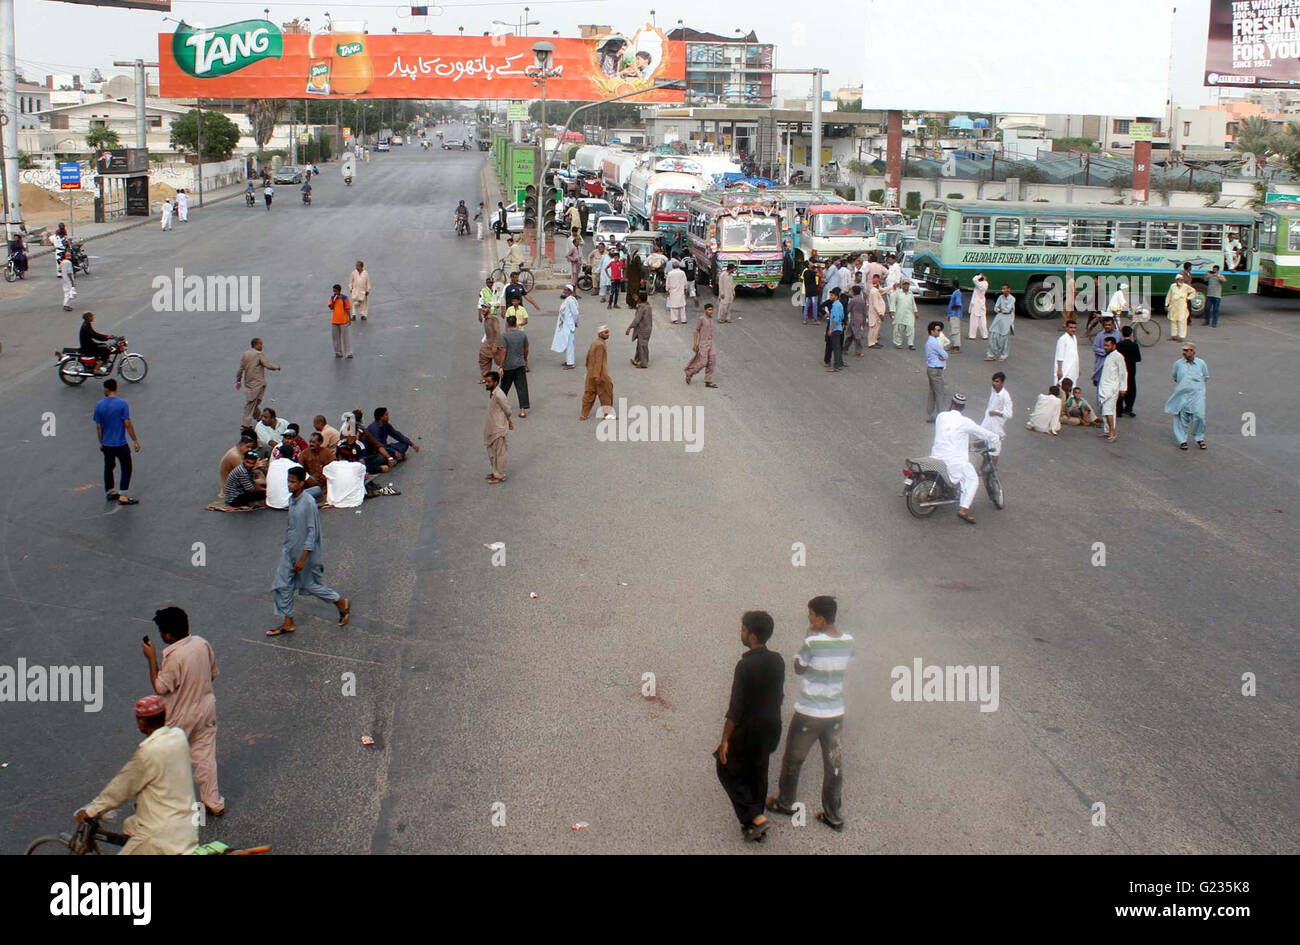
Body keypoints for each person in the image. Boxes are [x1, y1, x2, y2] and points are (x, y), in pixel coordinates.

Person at [767, 595, 855, 832]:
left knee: (793, 759)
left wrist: (809, 638)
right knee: (834, 764)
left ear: (821, 619)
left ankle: (785, 803)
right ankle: (833, 815)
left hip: (809, 713)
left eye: (811, 615)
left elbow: (798, 668)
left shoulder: (813, 643)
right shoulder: (848, 641)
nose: (808, 617)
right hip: (835, 714)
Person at [76, 695, 198, 855]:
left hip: (160, 834)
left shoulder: (148, 752)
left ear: (142, 722)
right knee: (130, 824)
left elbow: (121, 788)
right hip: (186, 825)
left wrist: (93, 810)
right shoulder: (179, 737)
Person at [142, 607, 223, 816]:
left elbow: (160, 687)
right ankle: (213, 801)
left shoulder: (174, 657)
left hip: (180, 715)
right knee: (205, 756)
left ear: (168, 635)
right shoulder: (201, 643)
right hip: (206, 708)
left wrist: (151, 658)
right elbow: (213, 673)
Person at [715, 610, 784, 843]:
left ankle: (755, 817)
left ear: (753, 636)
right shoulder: (778, 660)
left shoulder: (744, 666)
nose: (741, 633)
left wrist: (725, 740)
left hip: (750, 730)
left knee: (725, 766)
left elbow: (735, 709)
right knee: (759, 770)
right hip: (772, 727)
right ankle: (755, 825)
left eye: (744, 629)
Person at [267, 466, 350, 636]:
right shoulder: (292, 499)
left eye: (293, 482)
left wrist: (303, 558)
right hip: (288, 549)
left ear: (302, 483)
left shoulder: (308, 503)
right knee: (281, 584)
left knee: (308, 585)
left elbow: (312, 532)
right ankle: (288, 622)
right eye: (288, 481)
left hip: (302, 553)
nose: (289, 485)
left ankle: (339, 601)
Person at [931, 393, 999, 524]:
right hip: (953, 460)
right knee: (972, 478)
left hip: (936, 455)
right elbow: (982, 433)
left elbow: (949, 433)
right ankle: (963, 510)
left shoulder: (941, 416)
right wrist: (996, 438)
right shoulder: (965, 422)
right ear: (963, 408)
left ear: (951, 404)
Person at [93, 378, 140, 505]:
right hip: (120, 443)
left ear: (107, 389)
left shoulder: (99, 405)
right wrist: (135, 440)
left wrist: (101, 442)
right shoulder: (122, 404)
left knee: (108, 467)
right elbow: (127, 423)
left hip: (107, 444)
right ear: (116, 388)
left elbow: (98, 426)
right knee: (126, 467)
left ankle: (110, 491)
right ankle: (123, 495)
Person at [1165, 342, 1209, 450]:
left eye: (1186, 350)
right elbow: (1175, 377)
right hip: (1183, 395)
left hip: (1197, 395)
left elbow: (1206, 376)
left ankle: (1199, 437)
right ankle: (1182, 440)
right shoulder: (1178, 364)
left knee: (1199, 416)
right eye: (1183, 350)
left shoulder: (1201, 363)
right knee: (1181, 418)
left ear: (1193, 351)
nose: (1183, 352)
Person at [236, 337, 280, 429]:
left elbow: (240, 369)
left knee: (254, 402)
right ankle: (245, 424)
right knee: (251, 403)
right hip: (258, 384)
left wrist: (238, 380)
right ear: (255, 345)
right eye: (260, 344)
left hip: (249, 383)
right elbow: (267, 365)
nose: (262, 346)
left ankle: (259, 418)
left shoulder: (245, 354)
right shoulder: (258, 354)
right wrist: (276, 367)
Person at [483, 370, 514, 483]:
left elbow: (508, 410)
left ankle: (500, 475)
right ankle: (495, 471)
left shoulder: (499, 395)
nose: (486, 384)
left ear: (495, 382)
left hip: (498, 428)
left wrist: (509, 422)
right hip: (491, 427)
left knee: (499, 453)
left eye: (489, 382)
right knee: (492, 451)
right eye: (485, 381)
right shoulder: (493, 392)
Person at [1096, 336, 1128, 443]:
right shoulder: (1108, 356)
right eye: (1104, 345)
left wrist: (1123, 388)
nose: (1105, 347)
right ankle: (1107, 431)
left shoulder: (1118, 357)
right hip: (1105, 387)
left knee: (1108, 411)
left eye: (1107, 345)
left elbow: (1123, 373)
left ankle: (1112, 432)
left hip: (1112, 389)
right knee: (1106, 410)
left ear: (1113, 345)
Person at [580, 325, 615, 421]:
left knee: (589, 394)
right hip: (600, 374)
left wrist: (590, 371)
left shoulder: (595, 343)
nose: (608, 334)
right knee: (606, 393)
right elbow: (598, 362)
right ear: (600, 334)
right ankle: (607, 415)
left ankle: (584, 414)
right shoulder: (600, 345)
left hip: (590, 373)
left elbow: (588, 357)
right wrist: (597, 376)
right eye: (606, 332)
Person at [499, 314, 530, 416]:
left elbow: (503, 352)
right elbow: (526, 349)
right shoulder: (522, 335)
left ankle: (500, 408)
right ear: (516, 323)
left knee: (504, 387)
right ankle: (522, 410)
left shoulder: (504, 335)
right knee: (522, 387)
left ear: (507, 324)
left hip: (508, 365)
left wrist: (500, 366)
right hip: (520, 364)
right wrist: (525, 359)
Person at [685, 302, 718, 387]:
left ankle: (708, 381)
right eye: (709, 310)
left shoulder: (711, 320)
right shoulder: (702, 319)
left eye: (712, 310)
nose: (711, 311)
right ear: (705, 310)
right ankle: (690, 373)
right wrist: (695, 344)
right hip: (703, 344)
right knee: (703, 362)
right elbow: (696, 331)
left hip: (711, 343)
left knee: (712, 362)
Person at [981, 371, 1013, 460]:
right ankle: (983, 467)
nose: (994, 383)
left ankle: (992, 470)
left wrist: (996, 412)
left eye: (997, 381)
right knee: (983, 442)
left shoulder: (1005, 396)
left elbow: (1009, 414)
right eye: (993, 381)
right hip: (987, 421)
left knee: (995, 448)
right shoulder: (993, 389)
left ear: (1002, 383)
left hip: (996, 425)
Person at [218, 433, 258, 497]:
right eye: (247, 447)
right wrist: (256, 465)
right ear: (240, 445)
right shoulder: (235, 456)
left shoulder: (239, 451)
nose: (250, 449)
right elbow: (245, 473)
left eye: (251, 447)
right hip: (231, 491)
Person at [551, 284, 580, 369]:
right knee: (566, 343)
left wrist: (575, 322)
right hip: (565, 325)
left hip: (569, 325)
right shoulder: (567, 300)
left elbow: (575, 313)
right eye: (564, 289)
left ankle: (571, 363)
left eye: (566, 290)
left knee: (570, 344)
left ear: (570, 291)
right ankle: (568, 360)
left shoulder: (571, 300)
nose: (564, 291)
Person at [1116, 325, 1142, 417]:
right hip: (1131, 370)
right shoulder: (1134, 345)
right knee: (1131, 389)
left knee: (1120, 389)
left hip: (1120, 370)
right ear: (1131, 334)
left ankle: (1118, 410)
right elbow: (1138, 358)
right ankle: (1129, 408)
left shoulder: (1118, 345)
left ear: (1122, 334)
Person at [924, 321, 948, 420]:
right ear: (932, 331)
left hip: (931, 369)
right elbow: (945, 355)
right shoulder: (934, 342)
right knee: (939, 393)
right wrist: (942, 356)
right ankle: (941, 416)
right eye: (938, 330)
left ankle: (930, 415)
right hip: (936, 370)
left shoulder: (929, 341)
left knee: (932, 393)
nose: (939, 332)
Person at [298, 431, 334, 497]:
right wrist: (309, 478)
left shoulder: (327, 453)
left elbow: (333, 467)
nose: (311, 444)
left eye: (313, 442)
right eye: (310, 442)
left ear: (320, 443)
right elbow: (299, 467)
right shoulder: (305, 453)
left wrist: (325, 476)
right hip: (310, 483)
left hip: (324, 481)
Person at [985, 284, 1015, 361]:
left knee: (1004, 338)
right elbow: (996, 308)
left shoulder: (1012, 299)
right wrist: (999, 309)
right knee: (993, 335)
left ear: (1009, 289)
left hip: (1007, 319)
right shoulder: (1000, 297)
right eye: (1002, 289)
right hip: (998, 318)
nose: (1003, 290)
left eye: (1004, 289)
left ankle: (1003, 355)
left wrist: (1001, 308)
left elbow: (1007, 310)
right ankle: (991, 355)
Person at [1091, 315, 1121, 388]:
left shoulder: (1118, 334)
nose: (1107, 326)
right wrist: (1105, 351)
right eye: (1105, 325)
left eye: (1109, 325)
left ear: (1113, 325)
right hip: (1102, 365)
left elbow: (1121, 346)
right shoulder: (1100, 335)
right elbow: (1095, 348)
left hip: (1114, 364)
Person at [1165, 273, 1195, 342]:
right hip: (1173, 306)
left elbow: (1193, 291)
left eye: (1182, 280)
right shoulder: (1172, 286)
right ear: (1176, 280)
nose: (1182, 281)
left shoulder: (1185, 286)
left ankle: (1181, 336)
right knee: (1173, 320)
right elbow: (1169, 295)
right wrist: (1166, 304)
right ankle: (1174, 336)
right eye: (1180, 279)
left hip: (1182, 306)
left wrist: (1188, 298)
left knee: (1182, 321)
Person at [626, 291, 652, 369]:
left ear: (640, 299)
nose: (635, 298)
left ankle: (644, 363)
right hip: (647, 328)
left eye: (636, 297)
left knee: (642, 345)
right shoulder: (647, 306)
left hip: (643, 329)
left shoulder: (641, 307)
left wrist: (629, 327)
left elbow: (637, 320)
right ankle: (637, 359)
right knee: (640, 344)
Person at [479, 303, 504, 382]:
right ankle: (486, 376)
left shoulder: (494, 319)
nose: (483, 309)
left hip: (495, 344)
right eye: (482, 307)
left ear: (489, 309)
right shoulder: (486, 319)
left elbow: (497, 332)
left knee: (501, 361)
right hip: (488, 343)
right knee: (483, 356)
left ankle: (508, 374)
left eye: (485, 308)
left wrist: (495, 345)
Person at [891, 279, 917, 350]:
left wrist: (916, 312)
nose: (906, 285)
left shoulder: (910, 293)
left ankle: (911, 344)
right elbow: (893, 302)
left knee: (911, 329)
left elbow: (913, 303)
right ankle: (898, 343)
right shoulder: (897, 293)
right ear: (902, 285)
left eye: (907, 284)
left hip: (909, 314)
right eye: (905, 284)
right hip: (900, 314)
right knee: (898, 329)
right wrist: (892, 311)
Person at [1054, 319, 1080, 389]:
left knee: (1072, 388)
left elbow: (1076, 354)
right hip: (1065, 368)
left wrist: (1078, 368)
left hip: (1073, 368)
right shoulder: (1062, 339)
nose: (1073, 329)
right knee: (1062, 388)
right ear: (1067, 328)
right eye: (1071, 327)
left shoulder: (1074, 338)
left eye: (1074, 328)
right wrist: (1059, 370)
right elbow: (1059, 356)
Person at [329, 283, 353, 358]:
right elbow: (331, 307)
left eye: (336, 291)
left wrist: (349, 318)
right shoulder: (332, 298)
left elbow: (347, 309)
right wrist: (334, 301)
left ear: (339, 291)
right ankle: (338, 352)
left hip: (343, 321)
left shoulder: (344, 298)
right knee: (335, 338)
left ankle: (348, 353)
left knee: (345, 338)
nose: (334, 293)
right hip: (335, 321)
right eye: (334, 291)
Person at [843, 284, 868, 357]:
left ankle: (858, 351)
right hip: (860, 319)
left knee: (856, 336)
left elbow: (848, 309)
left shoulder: (853, 300)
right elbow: (864, 312)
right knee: (850, 335)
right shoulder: (862, 300)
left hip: (854, 319)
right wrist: (864, 322)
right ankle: (845, 348)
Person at [866, 275, 886, 348]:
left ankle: (874, 341)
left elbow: (883, 290)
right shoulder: (874, 292)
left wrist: (892, 287)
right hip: (874, 313)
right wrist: (880, 314)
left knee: (877, 328)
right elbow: (875, 304)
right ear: (878, 283)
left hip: (877, 313)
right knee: (873, 328)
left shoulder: (876, 290)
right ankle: (871, 343)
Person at [968, 273, 989, 340]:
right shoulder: (985, 284)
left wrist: (980, 275)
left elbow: (974, 279)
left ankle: (972, 335)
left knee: (974, 320)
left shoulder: (981, 284)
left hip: (976, 304)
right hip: (982, 303)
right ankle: (984, 335)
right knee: (982, 320)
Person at [800, 258, 820, 324]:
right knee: (814, 305)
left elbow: (803, 280)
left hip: (808, 291)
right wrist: (819, 269)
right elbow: (820, 275)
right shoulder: (813, 272)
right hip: (814, 291)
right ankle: (815, 320)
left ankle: (804, 320)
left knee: (806, 306)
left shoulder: (805, 272)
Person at [946, 280, 964, 351]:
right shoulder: (955, 292)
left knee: (955, 330)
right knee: (952, 330)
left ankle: (956, 346)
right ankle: (953, 345)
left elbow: (958, 304)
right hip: (952, 314)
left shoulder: (957, 293)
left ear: (954, 285)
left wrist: (952, 309)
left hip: (955, 315)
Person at [58, 247, 77, 311]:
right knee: (68, 293)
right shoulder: (69, 263)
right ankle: (66, 305)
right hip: (68, 280)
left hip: (63, 279)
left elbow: (60, 270)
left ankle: (66, 304)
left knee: (66, 292)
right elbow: (69, 273)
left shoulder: (62, 262)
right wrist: (72, 281)